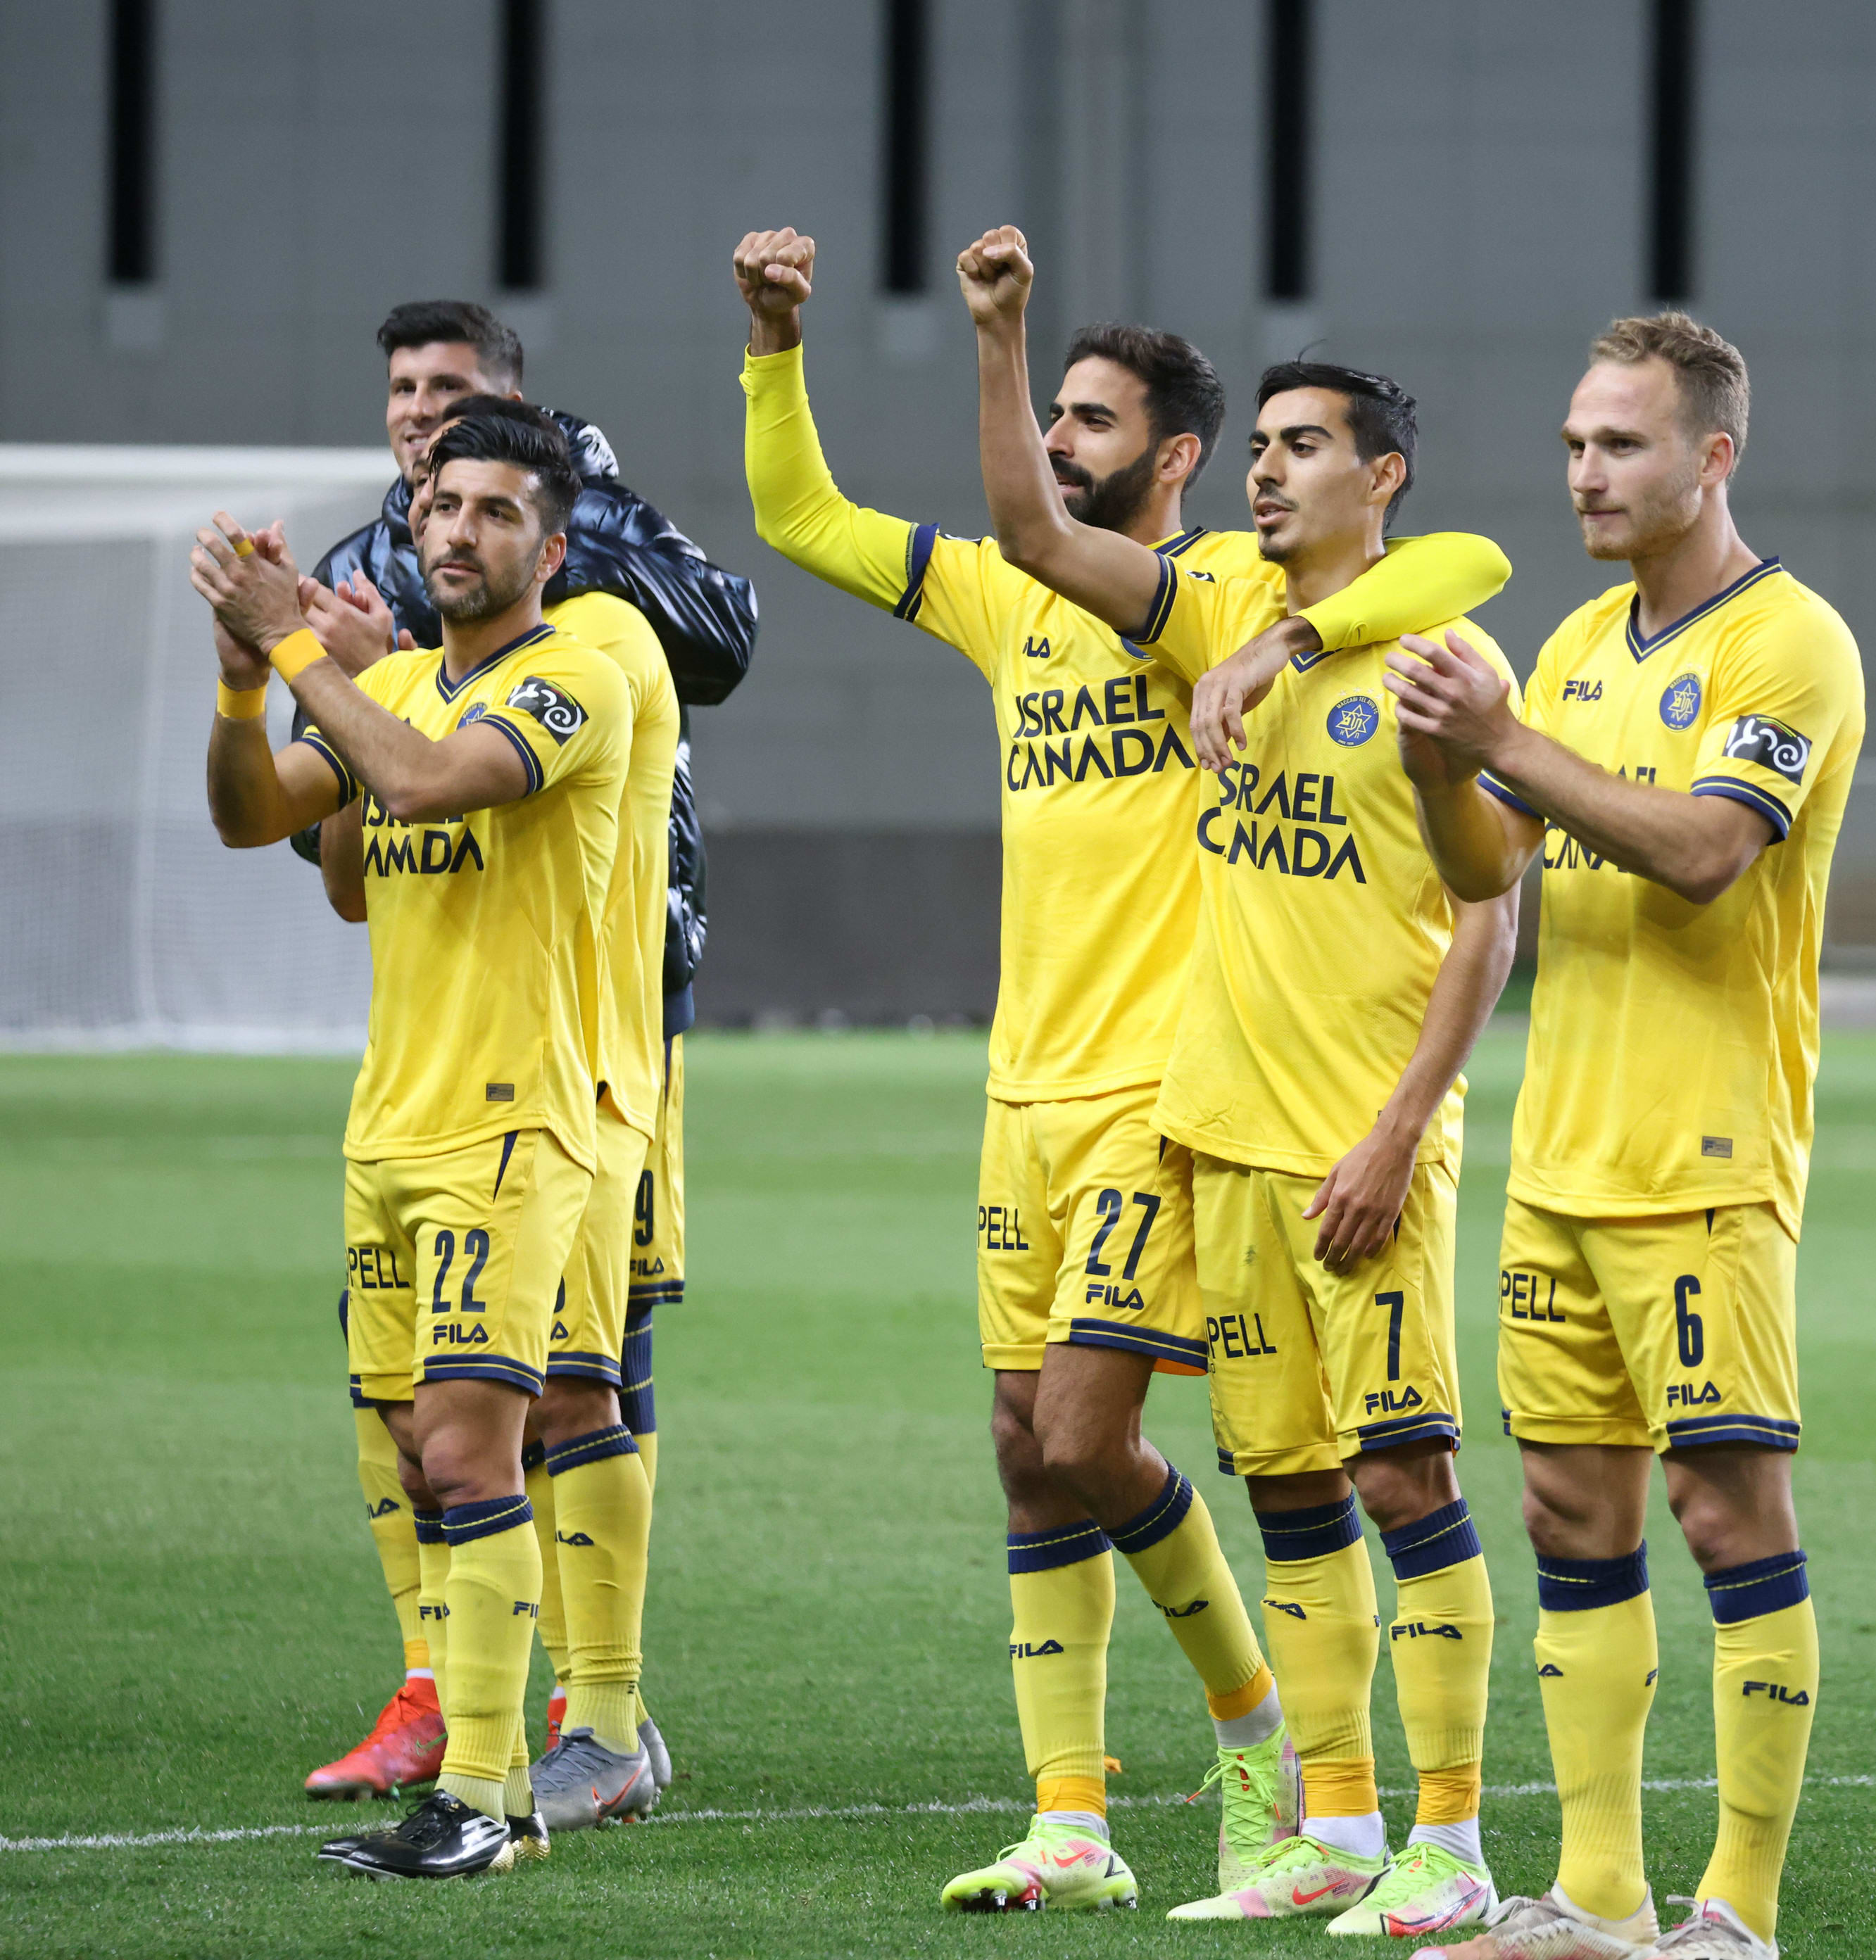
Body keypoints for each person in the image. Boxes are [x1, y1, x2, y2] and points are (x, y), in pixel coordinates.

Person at [732, 225, 1510, 1916]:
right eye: (1051, 414)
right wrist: (776, 348)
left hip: (1175, 1099)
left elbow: (1456, 566)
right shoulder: (1017, 595)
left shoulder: (1236, 593)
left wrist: (1284, 647)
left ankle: (1270, 1755)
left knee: (1104, 1437)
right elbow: (805, 518)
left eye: (1094, 421)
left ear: (1174, 459)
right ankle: (1079, 1815)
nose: (1060, 446)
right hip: (1024, 1086)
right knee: (1033, 1448)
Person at [1278, 312, 1864, 1960]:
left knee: (1726, 1512)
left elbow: (1699, 853)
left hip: (1704, 1164)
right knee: (1568, 1516)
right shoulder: (1583, 641)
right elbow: (1487, 875)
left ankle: (1734, 1909)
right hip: (1561, 1167)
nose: (1584, 474)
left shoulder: (1787, 643)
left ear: (1709, 457)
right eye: (1571, 445)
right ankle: (1597, 1893)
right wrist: (1427, 758)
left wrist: (1502, 738)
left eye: (1617, 445)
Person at [958, 224, 1518, 1938]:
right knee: (1287, 1485)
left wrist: (1401, 1125)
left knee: (1407, 1473)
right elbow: (1035, 529)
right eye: (1258, 447)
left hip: (1359, 1145)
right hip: (1215, 1136)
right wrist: (998, 340)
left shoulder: (1441, 668)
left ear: (1381, 477)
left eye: (1302, 449)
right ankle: (1334, 1829)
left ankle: (1453, 1841)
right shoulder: (1211, 613)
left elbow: (1490, 912)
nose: (1268, 473)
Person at [301, 300, 750, 1804]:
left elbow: (722, 636)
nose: (423, 420)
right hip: (433, 1048)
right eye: (407, 399)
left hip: (595, 1043)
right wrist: (305, 673)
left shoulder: (603, 589)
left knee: (575, 1380)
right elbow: (339, 841)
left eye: (457, 399)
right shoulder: (387, 575)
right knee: (425, 1407)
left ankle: (599, 1717)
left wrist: (303, 662)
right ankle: (449, 1692)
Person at [196, 408, 631, 1878]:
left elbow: (442, 784)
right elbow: (269, 826)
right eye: (440, 504)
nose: (456, 530)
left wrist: (322, 662)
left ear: (546, 548)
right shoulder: (395, 689)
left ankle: (493, 1801)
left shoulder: (570, 677)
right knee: (413, 1444)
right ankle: (480, 1789)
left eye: (494, 512)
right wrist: (247, 677)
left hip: (512, 1122)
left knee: (467, 1444)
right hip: (390, 1121)